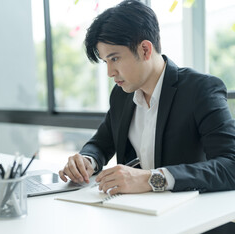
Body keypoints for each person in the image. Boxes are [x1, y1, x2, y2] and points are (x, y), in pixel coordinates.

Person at [59, 0, 235, 195]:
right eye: (105, 62)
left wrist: (152, 178)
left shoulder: (201, 90)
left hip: (191, 216)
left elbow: (231, 166)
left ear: (145, 49)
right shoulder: (121, 94)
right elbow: (101, 142)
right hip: (136, 215)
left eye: (115, 58)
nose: (110, 72)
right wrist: (86, 160)